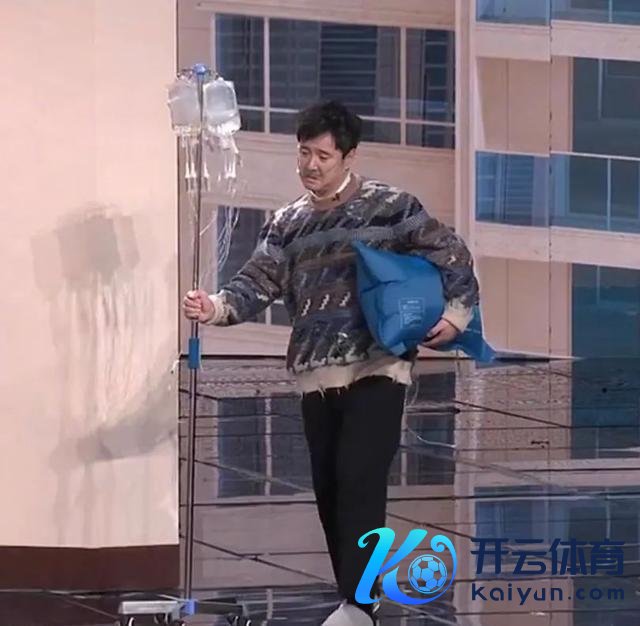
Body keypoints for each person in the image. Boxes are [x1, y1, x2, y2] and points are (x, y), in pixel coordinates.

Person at [183, 101, 480, 626]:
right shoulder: (288, 223)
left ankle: (360, 603)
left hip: (378, 368)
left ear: (349, 156)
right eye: (304, 153)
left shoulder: (389, 207)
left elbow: (451, 253)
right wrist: (216, 307)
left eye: (323, 155)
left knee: (358, 478)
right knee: (330, 489)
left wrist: (456, 316)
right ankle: (355, 599)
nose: (311, 165)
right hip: (316, 376)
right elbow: (256, 283)